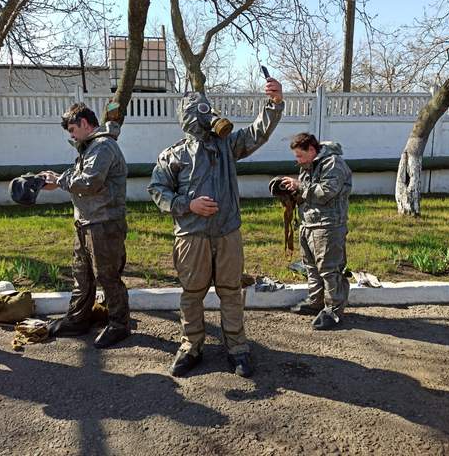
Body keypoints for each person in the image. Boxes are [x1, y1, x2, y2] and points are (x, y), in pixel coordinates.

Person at [148, 78, 284, 378]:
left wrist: (273, 105)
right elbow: (157, 191)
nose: (208, 117)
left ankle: (237, 348)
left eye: (209, 111)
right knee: (192, 293)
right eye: (200, 112)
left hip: (227, 233)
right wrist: (188, 205)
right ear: (187, 118)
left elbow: (256, 134)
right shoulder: (173, 155)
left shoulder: (227, 146)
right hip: (191, 235)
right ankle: (191, 346)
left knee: (231, 291)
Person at [39, 103, 130, 349]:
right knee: (82, 273)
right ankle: (78, 319)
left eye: (72, 128)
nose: (70, 134)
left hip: (104, 224)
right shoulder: (89, 148)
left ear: (86, 124)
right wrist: (57, 180)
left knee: (107, 276)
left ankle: (119, 324)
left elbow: (90, 182)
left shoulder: (103, 146)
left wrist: (60, 181)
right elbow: (80, 176)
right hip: (87, 221)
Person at [281, 132, 352, 330]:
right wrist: (290, 192)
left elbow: (326, 192)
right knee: (311, 267)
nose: (297, 160)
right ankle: (316, 303)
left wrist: (300, 185)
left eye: (300, 155)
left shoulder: (333, 163)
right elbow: (307, 193)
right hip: (309, 224)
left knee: (330, 270)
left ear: (311, 150)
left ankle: (334, 311)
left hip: (328, 225)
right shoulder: (309, 165)